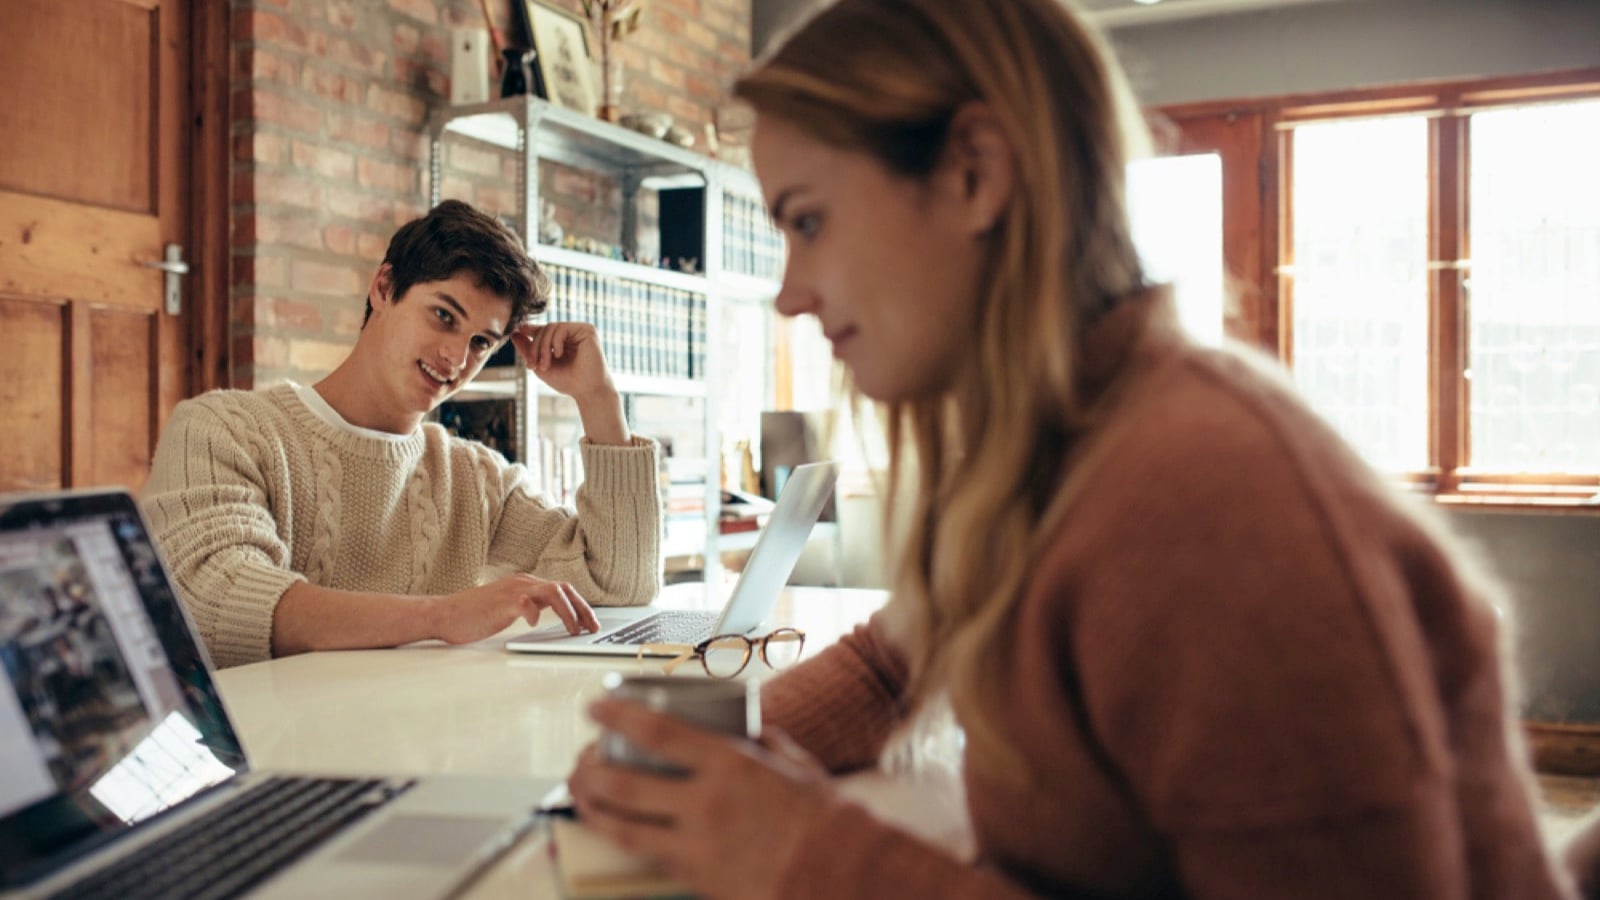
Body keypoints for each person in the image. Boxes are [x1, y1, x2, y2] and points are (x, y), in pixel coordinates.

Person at [564, 1, 1578, 897]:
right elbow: (891, 664)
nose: (787, 291)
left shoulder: (1205, 501)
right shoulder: (1053, 451)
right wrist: (697, 770)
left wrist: (809, 861)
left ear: (973, 172)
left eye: (810, 220)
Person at [142, 200, 661, 669]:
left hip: (419, 751)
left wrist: (598, 400)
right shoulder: (224, 430)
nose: (456, 359)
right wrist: (440, 616)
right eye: (443, 316)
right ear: (384, 287)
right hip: (269, 754)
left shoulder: (475, 478)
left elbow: (620, 583)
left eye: (481, 342)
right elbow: (209, 604)